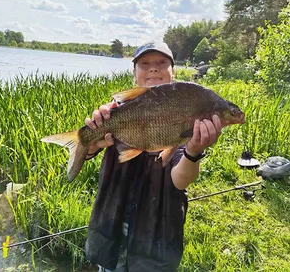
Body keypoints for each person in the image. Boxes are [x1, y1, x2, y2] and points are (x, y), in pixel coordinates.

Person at [83, 41, 222, 272]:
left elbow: (181, 180)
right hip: (111, 222)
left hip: (156, 231)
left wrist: (193, 152)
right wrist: (90, 142)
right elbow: (91, 150)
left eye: (161, 63)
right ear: (134, 74)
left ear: (173, 72)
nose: (153, 69)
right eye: (145, 64)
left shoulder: (185, 109)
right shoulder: (114, 111)